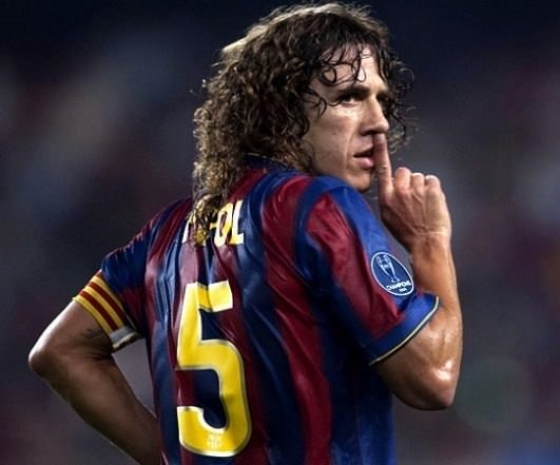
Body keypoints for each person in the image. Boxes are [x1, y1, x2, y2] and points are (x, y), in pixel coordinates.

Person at [28, 3, 463, 464]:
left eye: (381, 100)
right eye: (350, 97)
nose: (379, 122)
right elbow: (433, 378)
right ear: (282, 108)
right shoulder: (317, 207)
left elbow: (60, 350)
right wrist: (429, 242)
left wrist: (169, 456)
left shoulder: (165, 236)